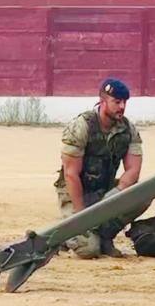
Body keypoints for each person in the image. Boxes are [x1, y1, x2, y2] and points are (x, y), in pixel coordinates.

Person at [58, 79, 144, 259]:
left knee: (143, 195)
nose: (122, 107)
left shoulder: (127, 129)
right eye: (117, 102)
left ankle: (105, 235)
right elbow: (71, 174)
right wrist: (82, 217)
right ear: (103, 101)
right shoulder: (81, 126)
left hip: (105, 190)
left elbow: (133, 171)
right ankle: (66, 235)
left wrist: (113, 196)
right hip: (78, 194)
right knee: (89, 250)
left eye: (124, 102)